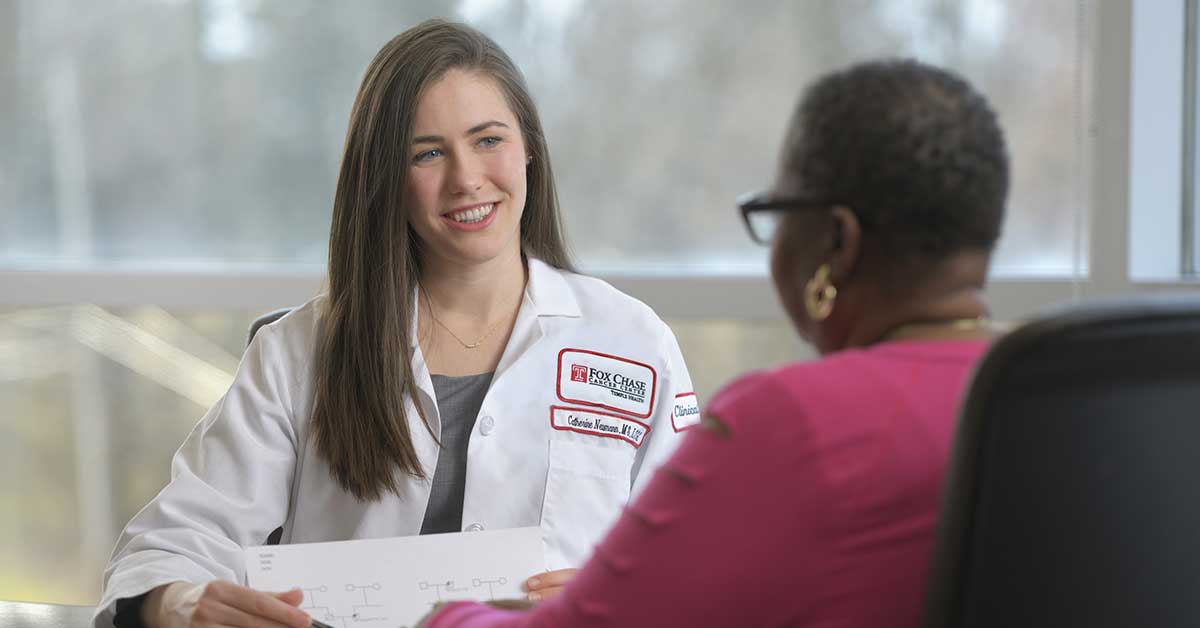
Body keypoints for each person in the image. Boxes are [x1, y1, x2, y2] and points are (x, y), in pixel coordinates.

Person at [94, 19, 699, 628]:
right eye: (428, 153)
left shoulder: (632, 343)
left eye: (489, 140)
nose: (466, 179)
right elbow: (171, 543)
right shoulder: (299, 350)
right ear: (386, 178)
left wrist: (631, 595)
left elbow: (704, 561)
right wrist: (179, 602)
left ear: (530, 149)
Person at [420, 58, 1009, 627]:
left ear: (836, 243)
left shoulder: (791, 419)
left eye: (775, 213)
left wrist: (442, 615)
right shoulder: (1051, 390)